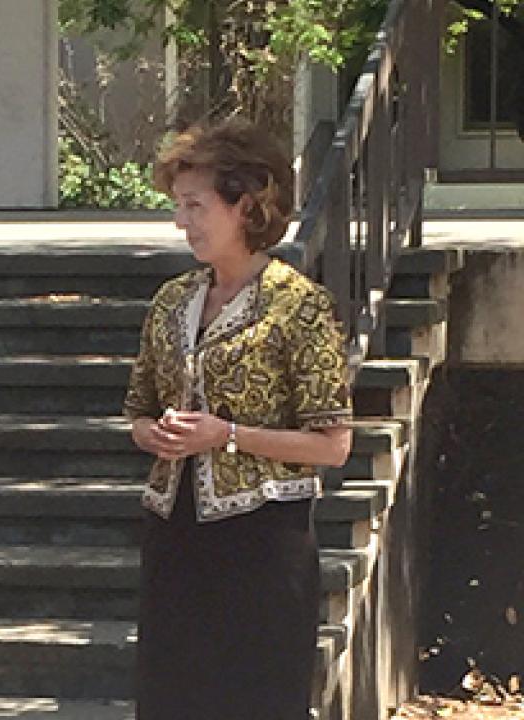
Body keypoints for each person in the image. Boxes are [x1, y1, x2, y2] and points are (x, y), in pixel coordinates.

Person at [124, 118, 353, 720]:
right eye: (179, 205)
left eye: (196, 205)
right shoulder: (172, 300)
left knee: (254, 699)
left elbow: (332, 445)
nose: (183, 222)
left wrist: (226, 436)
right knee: (171, 698)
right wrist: (155, 434)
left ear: (246, 206)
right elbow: (138, 411)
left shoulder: (299, 305)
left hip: (263, 541)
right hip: (175, 531)